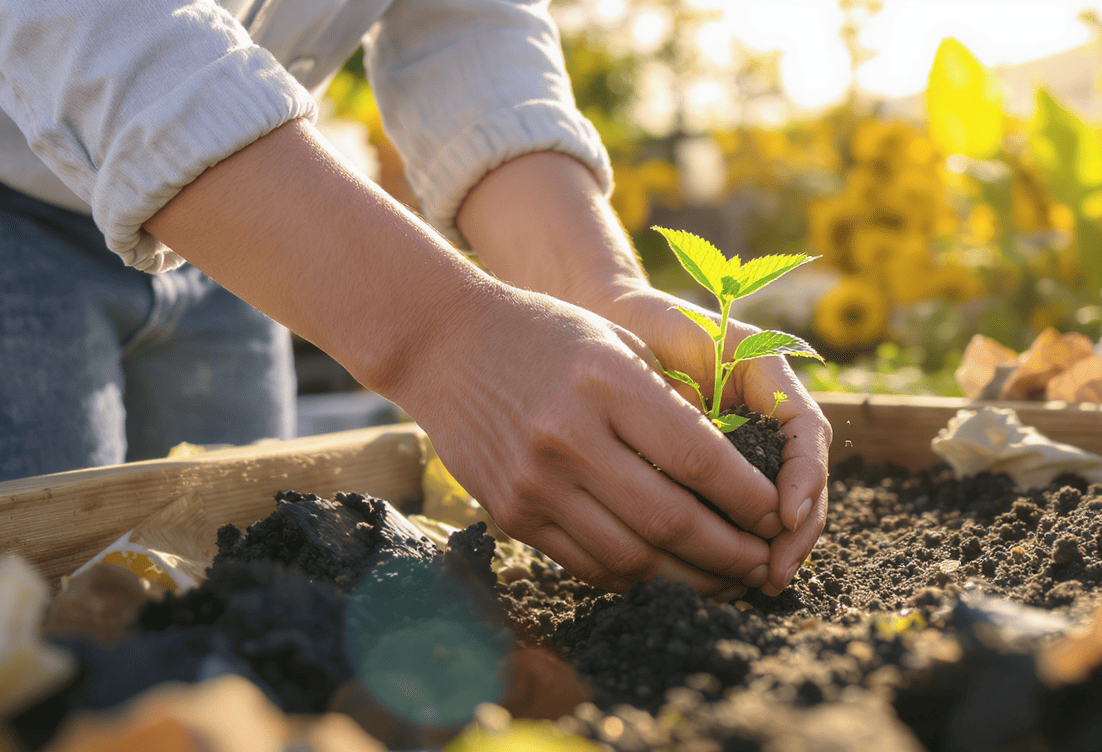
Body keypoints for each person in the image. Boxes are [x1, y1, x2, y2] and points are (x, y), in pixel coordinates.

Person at [0, 0, 830, 599]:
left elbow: (465, 22)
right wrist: (445, 338)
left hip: (244, 225)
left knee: (244, 596)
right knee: (35, 616)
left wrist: (592, 285)